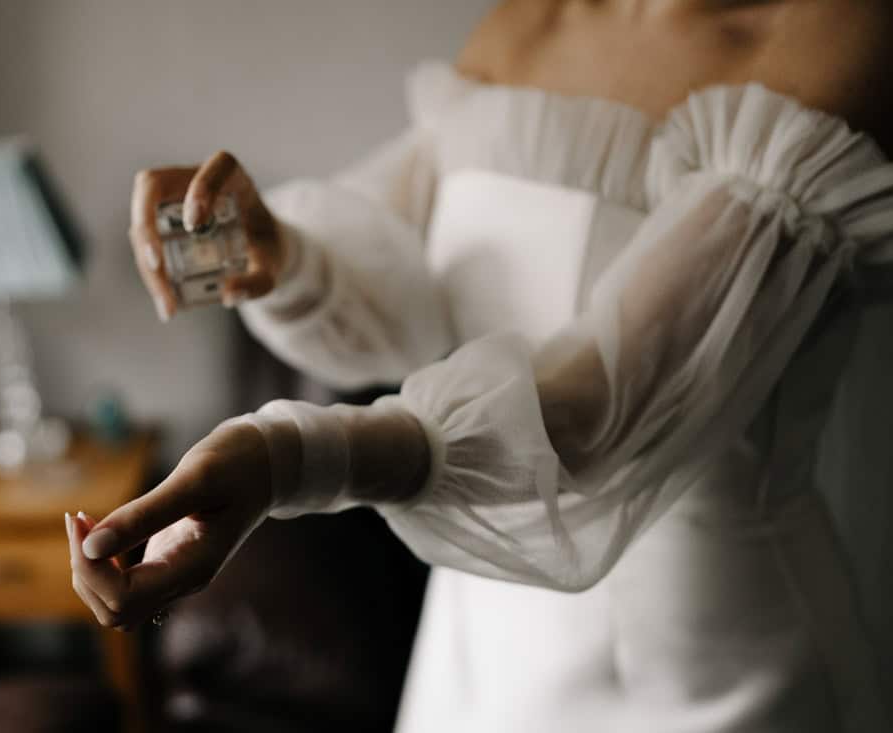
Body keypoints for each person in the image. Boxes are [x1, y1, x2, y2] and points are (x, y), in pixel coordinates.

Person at [66, 2, 893, 730]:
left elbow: (597, 412)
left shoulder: (838, 31)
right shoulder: (524, 23)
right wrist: (277, 252)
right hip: (479, 635)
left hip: (708, 661)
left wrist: (289, 458)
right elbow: (405, 297)